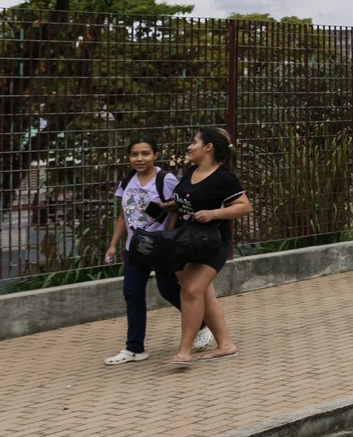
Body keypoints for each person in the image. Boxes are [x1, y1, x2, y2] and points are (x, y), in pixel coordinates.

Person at [101, 137, 213, 363]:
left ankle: (202, 324)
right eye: (134, 154)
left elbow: (178, 209)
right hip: (135, 248)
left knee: (168, 289)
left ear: (155, 155)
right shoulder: (127, 181)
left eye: (145, 153)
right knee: (132, 293)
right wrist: (113, 244)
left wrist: (168, 236)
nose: (139, 159)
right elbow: (123, 216)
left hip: (160, 247)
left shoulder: (166, 179)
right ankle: (134, 348)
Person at [170, 125, 248, 365]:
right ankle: (226, 345)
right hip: (186, 241)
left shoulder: (224, 178)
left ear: (208, 147)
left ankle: (184, 351)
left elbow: (244, 207)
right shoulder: (191, 171)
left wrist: (213, 214)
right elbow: (186, 200)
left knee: (191, 291)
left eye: (194, 141)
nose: (189, 146)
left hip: (212, 243)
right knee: (203, 293)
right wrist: (166, 206)